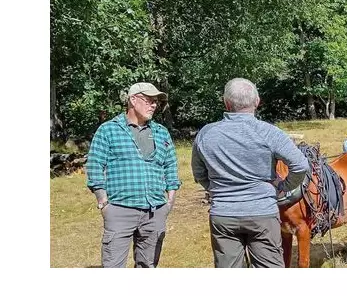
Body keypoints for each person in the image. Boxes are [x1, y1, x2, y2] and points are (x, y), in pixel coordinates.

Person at [191, 78, 309, 268]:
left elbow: (199, 173)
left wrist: (218, 190)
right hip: (263, 214)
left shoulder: (206, 133)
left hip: (223, 215)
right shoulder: (269, 132)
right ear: (257, 101)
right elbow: (301, 165)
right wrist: (282, 187)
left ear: (226, 103)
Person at [85, 82, 181, 268]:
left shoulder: (161, 132)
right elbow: (95, 165)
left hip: (155, 211)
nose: (154, 105)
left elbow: (171, 166)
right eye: (149, 100)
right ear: (133, 100)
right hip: (119, 209)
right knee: (113, 266)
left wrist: (169, 202)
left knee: (148, 265)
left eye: (156, 102)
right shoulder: (108, 130)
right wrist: (103, 202)